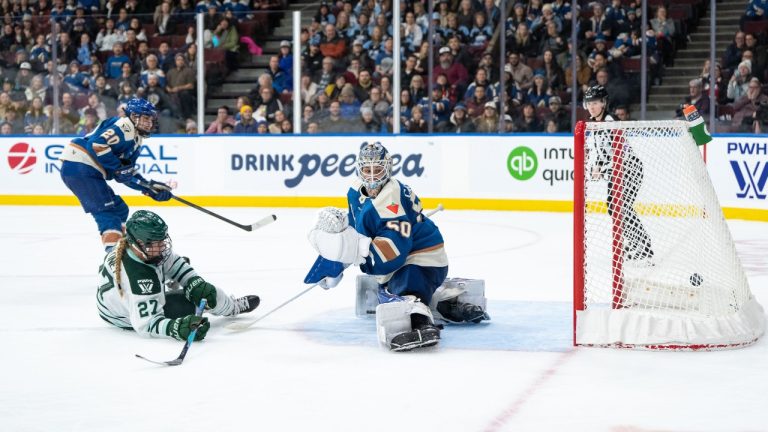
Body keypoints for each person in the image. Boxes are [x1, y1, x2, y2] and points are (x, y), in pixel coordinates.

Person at [307, 142, 489, 352]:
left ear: (388, 168)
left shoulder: (392, 200)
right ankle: (436, 299)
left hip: (423, 258)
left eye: (378, 170)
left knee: (406, 282)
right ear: (359, 169)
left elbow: (392, 256)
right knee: (389, 288)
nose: (373, 177)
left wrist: (351, 251)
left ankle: (421, 320)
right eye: (367, 170)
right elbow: (360, 232)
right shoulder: (355, 192)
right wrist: (336, 261)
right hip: (403, 255)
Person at [97, 210, 260, 341]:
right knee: (202, 300)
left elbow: (175, 263)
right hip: (125, 315)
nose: (163, 246)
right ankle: (231, 307)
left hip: (116, 301)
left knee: (199, 287)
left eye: (162, 240)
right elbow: (146, 325)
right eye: (157, 242)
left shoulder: (133, 246)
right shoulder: (138, 279)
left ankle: (227, 305)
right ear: (139, 243)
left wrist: (194, 282)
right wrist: (177, 328)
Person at [59, 98, 173, 252]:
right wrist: (117, 167)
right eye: (146, 118)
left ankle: (122, 247)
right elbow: (97, 144)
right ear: (133, 116)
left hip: (86, 169)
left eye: (151, 119)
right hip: (80, 165)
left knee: (120, 209)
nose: (150, 123)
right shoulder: (124, 126)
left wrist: (148, 187)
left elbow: (125, 173)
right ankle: (114, 257)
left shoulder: (137, 139)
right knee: (107, 213)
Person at [584, 85, 654, 262]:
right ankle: (638, 242)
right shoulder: (595, 124)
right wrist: (598, 165)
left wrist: (603, 166)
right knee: (614, 206)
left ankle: (643, 246)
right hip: (616, 171)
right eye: (589, 103)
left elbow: (618, 151)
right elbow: (603, 150)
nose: (592, 106)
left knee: (620, 206)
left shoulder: (610, 121)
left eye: (596, 103)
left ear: (603, 103)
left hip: (628, 168)